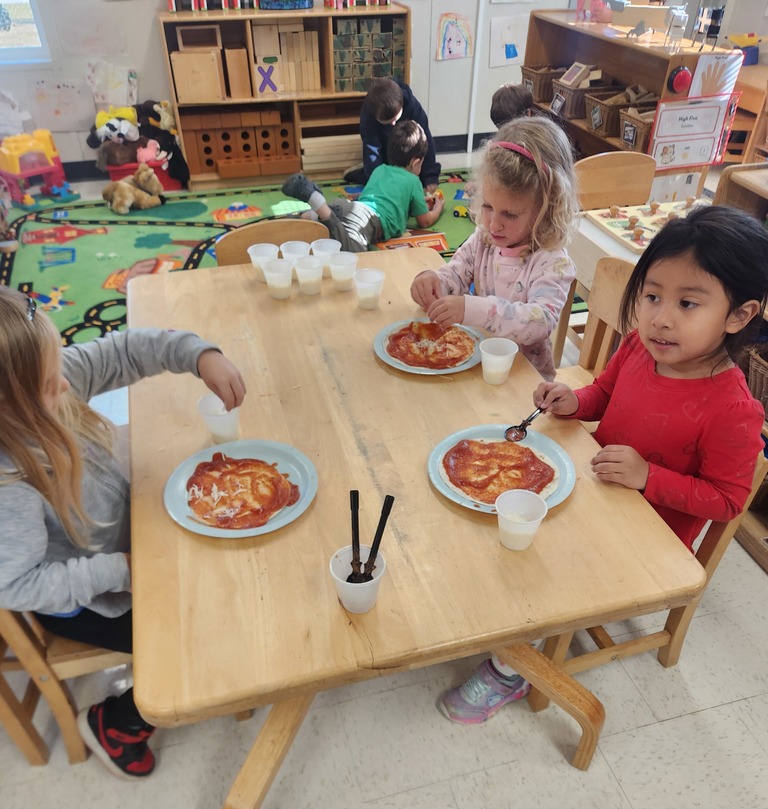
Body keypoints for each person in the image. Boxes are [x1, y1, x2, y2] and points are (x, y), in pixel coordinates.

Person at [439, 204, 768, 724]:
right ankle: (500, 614)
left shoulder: (732, 409)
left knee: (537, 567)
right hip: (593, 491)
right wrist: (575, 401)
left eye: (687, 303)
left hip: (644, 541)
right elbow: (604, 394)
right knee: (500, 519)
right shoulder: (640, 346)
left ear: (738, 316)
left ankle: (512, 667)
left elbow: (728, 500)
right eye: (653, 295)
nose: (660, 316)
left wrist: (648, 477)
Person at [0, 287, 246, 778]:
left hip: (136, 538)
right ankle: (117, 721)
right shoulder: (11, 485)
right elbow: (15, 584)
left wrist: (199, 355)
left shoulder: (51, 386)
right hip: (92, 600)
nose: (66, 386)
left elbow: (126, 350)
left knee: (232, 571)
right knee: (209, 637)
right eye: (51, 384)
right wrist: (120, 570)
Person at [410, 116, 578, 382]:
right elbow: (456, 273)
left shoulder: (552, 260)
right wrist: (434, 284)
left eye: (510, 214)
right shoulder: (484, 239)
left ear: (547, 209)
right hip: (475, 363)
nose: (493, 223)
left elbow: (539, 321)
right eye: (488, 206)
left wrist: (472, 309)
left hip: (524, 381)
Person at [281, 120, 445, 253]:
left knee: (329, 228)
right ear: (416, 162)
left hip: (350, 206)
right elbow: (424, 221)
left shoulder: (380, 169)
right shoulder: (413, 181)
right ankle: (316, 201)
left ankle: (305, 217)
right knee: (352, 251)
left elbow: (386, 197)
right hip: (367, 222)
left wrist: (417, 202)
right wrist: (438, 208)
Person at [346, 77, 441, 192]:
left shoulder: (412, 105)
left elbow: (426, 140)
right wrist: (378, 183)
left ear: (402, 105)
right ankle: (360, 172)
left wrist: (430, 176)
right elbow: (372, 151)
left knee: (417, 180)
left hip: (407, 149)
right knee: (375, 180)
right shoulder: (368, 119)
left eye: (395, 118)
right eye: (388, 122)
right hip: (386, 153)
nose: (393, 124)